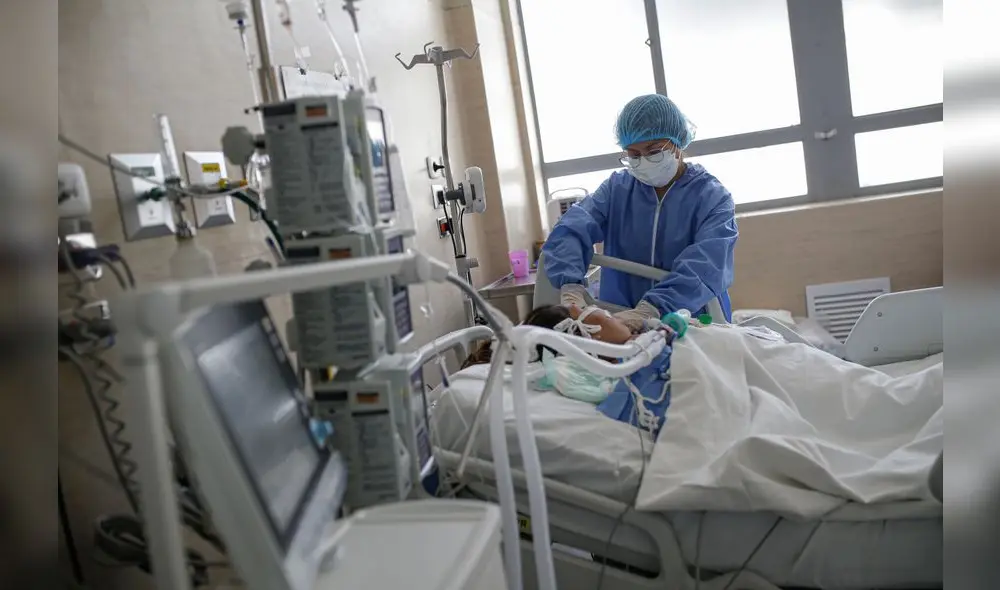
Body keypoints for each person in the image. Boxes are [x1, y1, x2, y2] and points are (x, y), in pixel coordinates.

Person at [541, 94, 739, 330]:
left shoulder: (712, 197)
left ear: (677, 143)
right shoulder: (617, 190)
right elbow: (571, 229)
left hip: (689, 321)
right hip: (617, 320)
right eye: (633, 155)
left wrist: (651, 309)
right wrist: (570, 286)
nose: (643, 160)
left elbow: (707, 264)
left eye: (654, 151)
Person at [460, 304, 675, 437]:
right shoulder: (624, 379)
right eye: (584, 310)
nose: (608, 314)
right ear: (587, 337)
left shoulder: (643, 344)